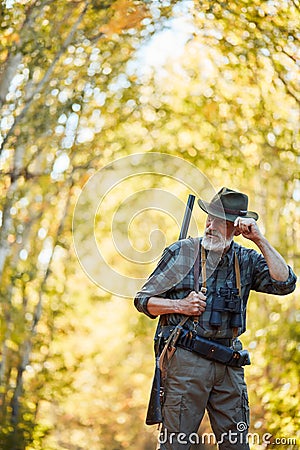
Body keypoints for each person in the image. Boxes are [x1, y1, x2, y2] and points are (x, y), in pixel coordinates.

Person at [134, 187, 297, 450]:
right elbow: (143, 301)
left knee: (237, 446)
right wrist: (181, 305)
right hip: (186, 362)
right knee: (175, 445)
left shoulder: (246, 259)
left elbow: (285, 283)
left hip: (229, 365)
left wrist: (259, 240)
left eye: (220, 221)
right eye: (209, 217)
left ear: (236, 227)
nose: (210, 225)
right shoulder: (181, 252)